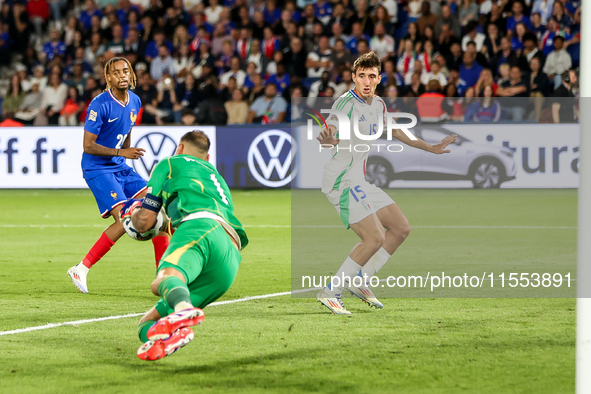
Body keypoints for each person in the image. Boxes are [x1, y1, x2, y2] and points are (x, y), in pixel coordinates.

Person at [315, 52, 457, 314]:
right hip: (341, 181)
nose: (366, 81)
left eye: (371, 76)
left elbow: (396, 130)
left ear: (379, 79)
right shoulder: (344, 104)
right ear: (353, 78)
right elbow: (331, 130)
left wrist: (431, 148)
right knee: (374, 237)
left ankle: (361, 280)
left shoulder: (378, 104)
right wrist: (328, 139)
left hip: (359, 179)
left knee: (401, 228)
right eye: (361, 76)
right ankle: (331, 291)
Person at [123, 131, 248, 361]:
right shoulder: (217, 178)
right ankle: (175, 335)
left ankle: (183, 310)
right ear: (207, 158)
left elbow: (144, 223)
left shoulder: (170, 163)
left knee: (161, 280)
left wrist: (132, 214)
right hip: (230, 254)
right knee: (147, 323)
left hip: (200, 227)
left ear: (179, 148)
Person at [67, 57, 169, 294]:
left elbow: (128, 128)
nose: (122, 75)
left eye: (126, 71)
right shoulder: (98, 105)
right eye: (116, 72)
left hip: (120, 166)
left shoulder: (135, 100)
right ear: (109, 78)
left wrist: (126, 156)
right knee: (125, 219)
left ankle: (163, 276)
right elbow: (88, 146)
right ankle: (81, 268)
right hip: (97, 168)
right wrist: (122, 152)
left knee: (158, 210)